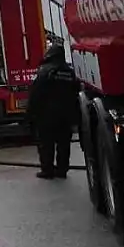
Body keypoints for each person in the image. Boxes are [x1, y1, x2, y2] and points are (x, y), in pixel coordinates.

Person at [27, 42, 80, 179]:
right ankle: (62, 170)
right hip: (65, 115)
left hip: (46, 115)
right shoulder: (69, 72)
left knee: (46, 144)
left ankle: (47, 170)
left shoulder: (44, 71)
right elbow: (76, 92)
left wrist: (30, 113)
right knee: (64, 144)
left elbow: (35, 94)